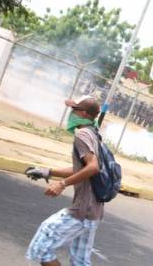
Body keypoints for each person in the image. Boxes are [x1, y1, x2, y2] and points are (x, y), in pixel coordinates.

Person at [24, 96, 103, 266]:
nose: (71, 113)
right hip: (94, 210)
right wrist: (49, 171)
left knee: (41, 249)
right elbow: (82, 169)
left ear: (82, 113)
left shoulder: (82, 134)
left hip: (82, 210)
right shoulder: (95, 134)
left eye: (74, 110)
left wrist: (62, 184)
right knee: (81, 261)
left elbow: (93, 167)